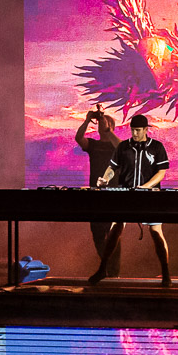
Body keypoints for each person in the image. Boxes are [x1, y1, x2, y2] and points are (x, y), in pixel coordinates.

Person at [88, 114, 172, 287]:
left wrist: (145, 187)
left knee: (156, 233)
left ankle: (166, 274)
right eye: (133, 130)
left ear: (146, 130)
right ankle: (103, 268)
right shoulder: (123, 147)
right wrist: (104, 179)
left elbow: (161, 172)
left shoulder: (156, 147)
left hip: (150, 196)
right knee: (114, 230)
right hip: (126, 195)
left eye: (138, 130)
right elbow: (112, 167)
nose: (135, 133)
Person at [74, 104, 121, 279]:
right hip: (96, 193)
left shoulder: (116, 145)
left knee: (114, 233)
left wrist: (108, 131)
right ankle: (106, 266)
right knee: (98, 233)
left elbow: (122, 148)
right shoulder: (93, 145)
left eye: (106, 122)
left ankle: (113, 271)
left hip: (115, 193)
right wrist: (87, 120)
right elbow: (79, 138)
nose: (102, 123)